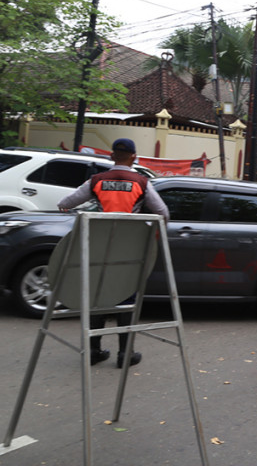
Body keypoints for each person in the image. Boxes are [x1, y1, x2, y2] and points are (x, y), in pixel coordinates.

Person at [58, 138, 170, 367]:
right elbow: (163, 213)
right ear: (134, 158)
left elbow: (65, 203)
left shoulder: (96, 180)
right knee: (126, 296)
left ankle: (93, 351)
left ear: (111, 156)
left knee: (98, 296)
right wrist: (152, 233)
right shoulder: (142, 182)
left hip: (99, 249)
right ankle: (124, 354)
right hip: (129, 251)